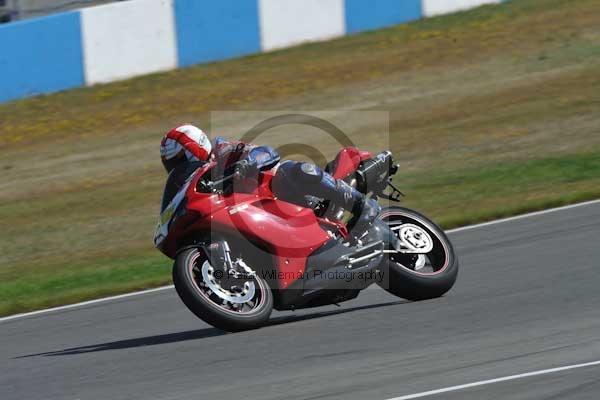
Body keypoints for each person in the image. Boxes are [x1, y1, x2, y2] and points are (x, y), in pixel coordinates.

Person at [160, 124, 380, 235]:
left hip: (282, 195)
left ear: (193, 148)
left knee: (293, 170)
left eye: (178, 160)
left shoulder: (224, 151)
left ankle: (361, 204)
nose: (176, 169)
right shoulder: (200, 183)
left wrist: (249, 163)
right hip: (261, 217)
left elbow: (267, 152)